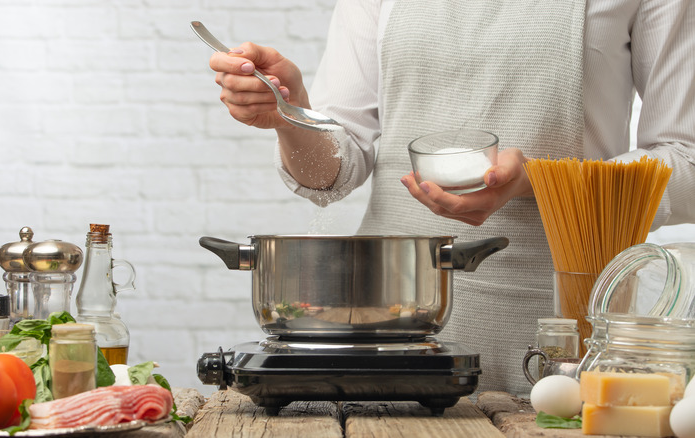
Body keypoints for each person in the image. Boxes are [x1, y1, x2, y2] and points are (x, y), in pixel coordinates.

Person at [206, 0, 695, 395]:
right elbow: (334, 173)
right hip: (389, 325)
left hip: (568, 315)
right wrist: (290, 116)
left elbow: (685, 159)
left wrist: (540, 181)